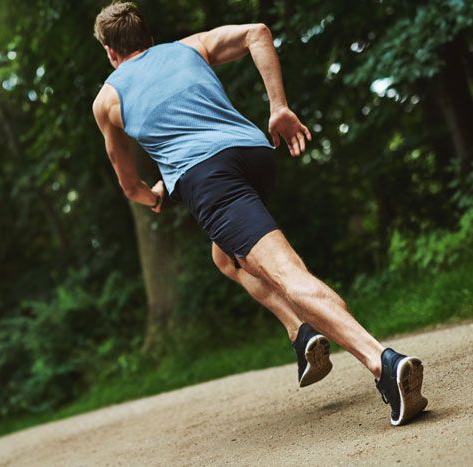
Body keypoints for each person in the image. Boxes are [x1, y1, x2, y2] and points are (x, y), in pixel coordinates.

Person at [91, 1, 427, 426]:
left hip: (210, 180)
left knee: (287, 274)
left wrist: (154, 197)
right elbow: (257, 33)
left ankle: (383, 362)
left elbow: (129, 186)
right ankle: (300, 330)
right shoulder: (189, 47)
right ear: (149, 38)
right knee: (225, 257)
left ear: (110, 51)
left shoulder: (108, 99)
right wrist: (278, 108)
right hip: (254, 155)